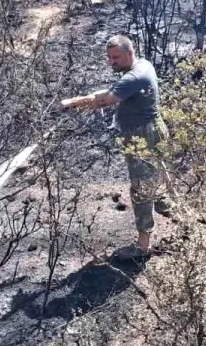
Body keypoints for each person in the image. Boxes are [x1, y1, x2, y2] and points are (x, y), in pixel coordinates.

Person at [60, 35, 174, 256]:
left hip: (143, 136)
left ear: (129, 53)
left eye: (116, 57)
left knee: (141, 190)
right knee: (155, 182)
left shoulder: (133, 76)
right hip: (152, 130)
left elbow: (105, 100)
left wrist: (73, 103)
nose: (112, 62)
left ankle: (143, 247)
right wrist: (77, 100)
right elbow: (110, 93)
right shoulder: (142, 65)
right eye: (109, 58)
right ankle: (182, 218)